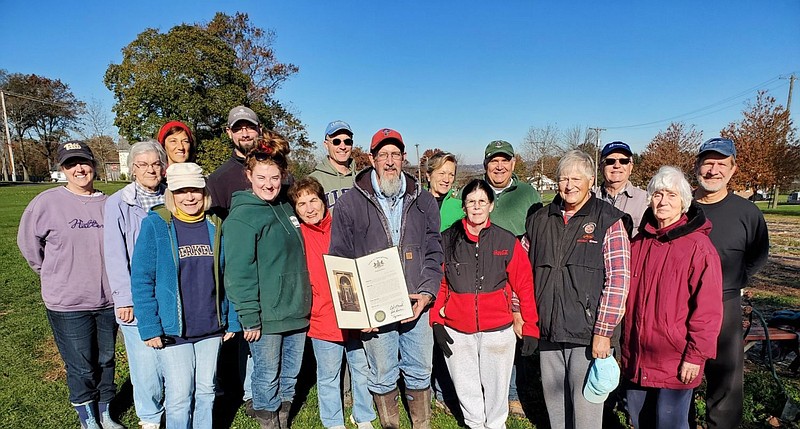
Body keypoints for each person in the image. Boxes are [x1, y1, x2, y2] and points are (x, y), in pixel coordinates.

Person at [330, 128, 444, 429]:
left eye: (395, 154)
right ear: (372, 158)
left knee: (420, 370)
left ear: (404, 158)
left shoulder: (424, 201)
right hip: (375, 306)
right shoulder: (349, 204)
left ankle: (422, 425)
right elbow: (341, 261)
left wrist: (428, 293)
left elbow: (435, 251)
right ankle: (391, 425)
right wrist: (356, 312)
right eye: (383, 155)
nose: (390, 161)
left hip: (416, 301)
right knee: (382, 374)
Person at [17, 141, 123, 429]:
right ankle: (86, 414)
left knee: (106, 359)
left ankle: (105, 411)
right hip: (68, 302)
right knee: (80, 364)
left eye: (84, 162)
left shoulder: (110, 203)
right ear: (62, 169)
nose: (79, 169)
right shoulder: (46, 203)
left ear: (94, 164)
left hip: (108, 300)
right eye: (70, 164)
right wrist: (52, 273)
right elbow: (29, 246)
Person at [524, 150, 631, 429]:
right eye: (563, 178)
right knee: (556, 410)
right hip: (548, 331)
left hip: (588, 336)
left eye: (576, 178)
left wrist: (604, 332)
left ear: (591, 181)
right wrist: (518, 310)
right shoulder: (539, 220)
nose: (569, 185)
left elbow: (619, 280)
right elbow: (521, 271)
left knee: (586, 415)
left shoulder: (609, 220)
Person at [130, 162, 240, 429]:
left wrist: (233, 319)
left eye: (195, 190)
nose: (189, 197)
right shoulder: (156, 225)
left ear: (204, 193)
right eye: (182, 191)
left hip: (211, 327)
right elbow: (142, 279)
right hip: (173, 329)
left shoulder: (216, 226)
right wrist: (149, 327)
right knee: (179, 396)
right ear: (172, 194)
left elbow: (230, 276)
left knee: (206, 392)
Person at [430, 178, 540, 429]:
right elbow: (441, 283)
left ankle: (496, 425)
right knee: (466, 385)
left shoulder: (506, 240)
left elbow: (524, 285)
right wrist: (436, 320)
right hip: (457, 330)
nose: (476, 207)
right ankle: (474, 424)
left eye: (482, 201)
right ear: (464, 206)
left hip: (498, 330)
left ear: (491, 205)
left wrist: (531, 326)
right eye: (471, 202)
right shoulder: (448, 239)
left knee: (497, 386)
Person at [621, 166, 723, 429]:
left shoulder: (698, 248)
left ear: (684, 202)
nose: (663, 201)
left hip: (675, 358)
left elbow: (708, 311)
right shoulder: (638, 243)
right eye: (657, 194)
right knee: (639, 419)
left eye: (671, 195)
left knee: (670, 423)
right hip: (637, 354)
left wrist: (695, 355)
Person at [223, 141, 312, 429]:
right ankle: (268, 422)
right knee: (266, 375)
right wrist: (249, 317)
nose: (269, 184)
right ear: (249, 176)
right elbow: (238, 272)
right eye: (261, 177)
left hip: (296, 310)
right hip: (266, 315)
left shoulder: (286, 207)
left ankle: (283, 420)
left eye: (274, 177)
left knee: (290, 375)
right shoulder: (243, 216)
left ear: (283, 175)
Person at [693, 138, 769, 429]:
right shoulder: (681, 207)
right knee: (679, 375)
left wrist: (735, 281)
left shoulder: (746, 213)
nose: (713, 170)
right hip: (681, 304)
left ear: (733, 169)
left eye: (721, 164)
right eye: (707, 163)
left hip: (725, 303)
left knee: (725, 378)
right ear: (697, 166)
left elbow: (758, 254)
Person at [288, 177, 375, 429]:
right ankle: (333, 421)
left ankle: (363, 416)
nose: (309, 208)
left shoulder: (343, 226)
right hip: (321, 315)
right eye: (301, 203)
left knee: (360, 368)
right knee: (328, 375)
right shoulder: (298, 236)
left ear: (323, 201)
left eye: (313, 200)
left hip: (353, 312)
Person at [103, 140, 167, 429]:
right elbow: (114, 254)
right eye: (143, 165)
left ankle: (175, 405)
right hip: (137, 294)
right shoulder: (118, 203)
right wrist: (124, 299)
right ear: (132, 170)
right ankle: (150, 417)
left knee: (171, 354)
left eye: (155, 163)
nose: (150, 170)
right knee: (145, 364)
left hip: (169, 290)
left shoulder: (173, 196)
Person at [207, 106, 263, 218]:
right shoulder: (218, 180)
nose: (245, 134)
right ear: (229, 132)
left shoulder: (278, 172)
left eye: (250, 127)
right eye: (237, 129)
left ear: (260, 129)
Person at [483, 140, 542, 237]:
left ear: (513, 164)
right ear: (485, 165)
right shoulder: (470, 193)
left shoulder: (528, 193)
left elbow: (540, 233)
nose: (499, 167)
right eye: (494, 161)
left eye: (505, 161)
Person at [593, 141, 648, 232]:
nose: (617, 166)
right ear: (601, 167)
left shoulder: (646, 201)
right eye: (610, 161)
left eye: (624, 161)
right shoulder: (588, 199)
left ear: (631, 167)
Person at [309, 120, 357, 209]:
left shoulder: (362, 179)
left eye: (347, 141)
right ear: (326, 145)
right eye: (336, 142)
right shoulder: (313, 181)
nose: (342, 147)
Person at [425, 151, 463, 232]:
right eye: (442, 173)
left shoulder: (460, 208)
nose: (446, 180)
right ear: (429, 176)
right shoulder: (415, 204)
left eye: (451, 175)